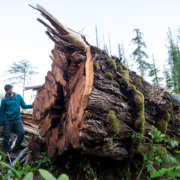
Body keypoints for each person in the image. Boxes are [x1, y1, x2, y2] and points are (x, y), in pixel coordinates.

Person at [0, 84, 32, 154]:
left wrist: (33, 105)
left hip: (17, 119)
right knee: (6, 136)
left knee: (21, 133)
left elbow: (24, 106)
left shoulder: (18, 97)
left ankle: (15, 149)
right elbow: (1, 112)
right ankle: (7, 151)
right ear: (6, 91)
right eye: (8, 89)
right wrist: (1, 124)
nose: (10, 90)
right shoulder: (4, 100)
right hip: (7, 120)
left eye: (11, 89)